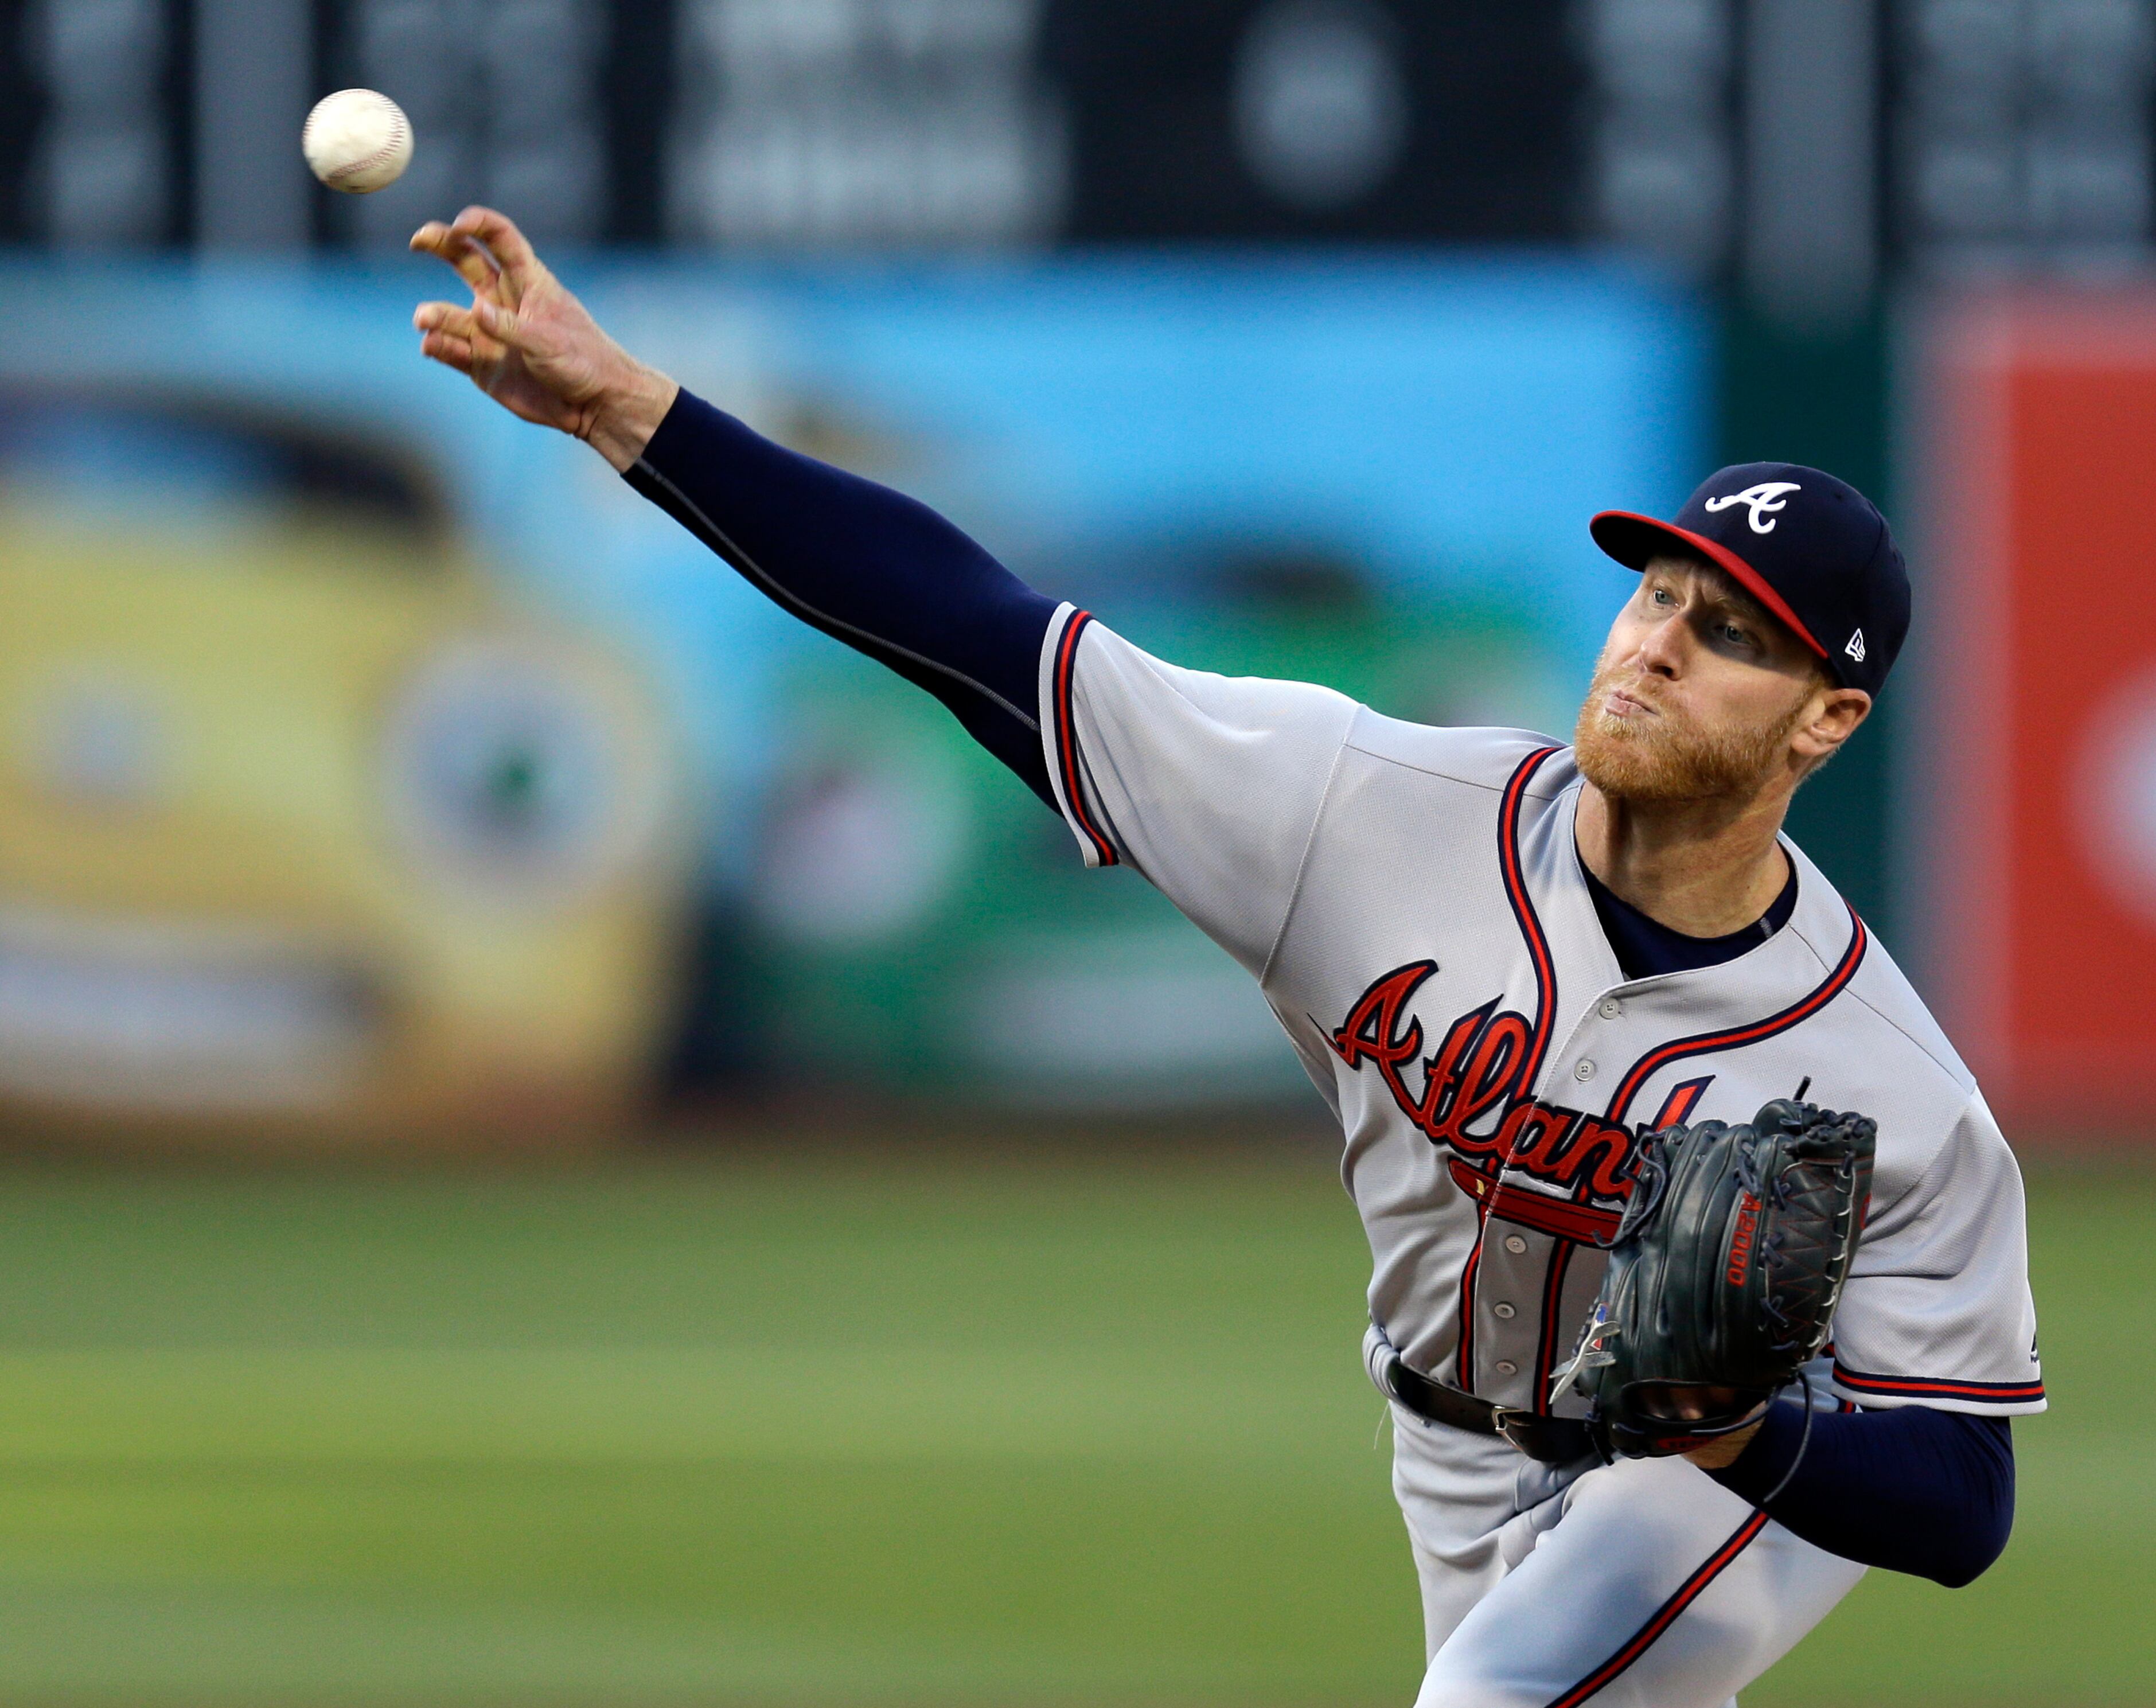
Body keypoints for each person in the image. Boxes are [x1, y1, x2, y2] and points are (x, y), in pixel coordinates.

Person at [410, 208, 2043, 1708]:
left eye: (1735, 632)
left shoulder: (1890, 1080)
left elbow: (1966, 1502)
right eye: (1659, 593)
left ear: (1830, 718)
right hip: (1443, 1444)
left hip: (1709, 1493)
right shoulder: (1357, 807)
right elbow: (972, 620)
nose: (1659, 643)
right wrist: (624, 405)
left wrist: (1745, 1424)